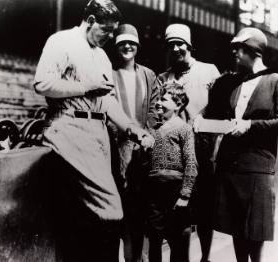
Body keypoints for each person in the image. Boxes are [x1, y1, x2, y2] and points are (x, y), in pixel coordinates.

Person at [33, 1, 154, 261]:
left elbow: (107, 101)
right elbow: (42, 83)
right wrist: (86, 86)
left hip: (97, 133)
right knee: (110, 211)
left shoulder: (100, 55)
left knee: (96, 219)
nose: (110, 37)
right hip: (68, 127)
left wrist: (132, 128)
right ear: (89, 20)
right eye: (106, 30)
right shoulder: (61, 41)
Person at [199, 27, 278, 262]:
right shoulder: (236, 83)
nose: (234, 53)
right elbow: (225, 119)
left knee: (255, 232)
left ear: (253, 50)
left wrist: (249, 125)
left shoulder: (276, 80)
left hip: (257, 168)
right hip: (231, 168)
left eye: (238, 48)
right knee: (237, 230)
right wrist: (204, 121)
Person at [148, 23, 220, 262]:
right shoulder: (163, 77)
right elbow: (158, 113)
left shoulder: (209, 71)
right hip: (176, 149)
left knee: (205, 209)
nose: (176, 48)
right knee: (181, 214)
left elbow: (221, 104)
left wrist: (203, 115)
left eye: (180, 44)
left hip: (204, 146)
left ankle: (206, 257)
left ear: (189, 45)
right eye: (171, 45)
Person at [112, 23, 156, 262]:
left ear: (137, 46)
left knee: (145, 210)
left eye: (131, 42)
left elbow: (155, 111)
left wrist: (145, 135)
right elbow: (107, 112)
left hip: (145, 150)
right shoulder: (108, 73)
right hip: (119, 151)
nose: (127, 46)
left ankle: (144, 258)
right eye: (121, 43)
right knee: (127, 212)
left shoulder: (148, 75)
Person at [145, 82, 198, 262]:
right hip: (154, 192)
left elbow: (191, 162)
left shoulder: (184, 129)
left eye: (164, 99)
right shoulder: (153, 130)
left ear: (178, 105)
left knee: (179, 241)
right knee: (154, 239)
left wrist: (185, 194)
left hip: (175, 191)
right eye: (158, 98)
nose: (158, 102)